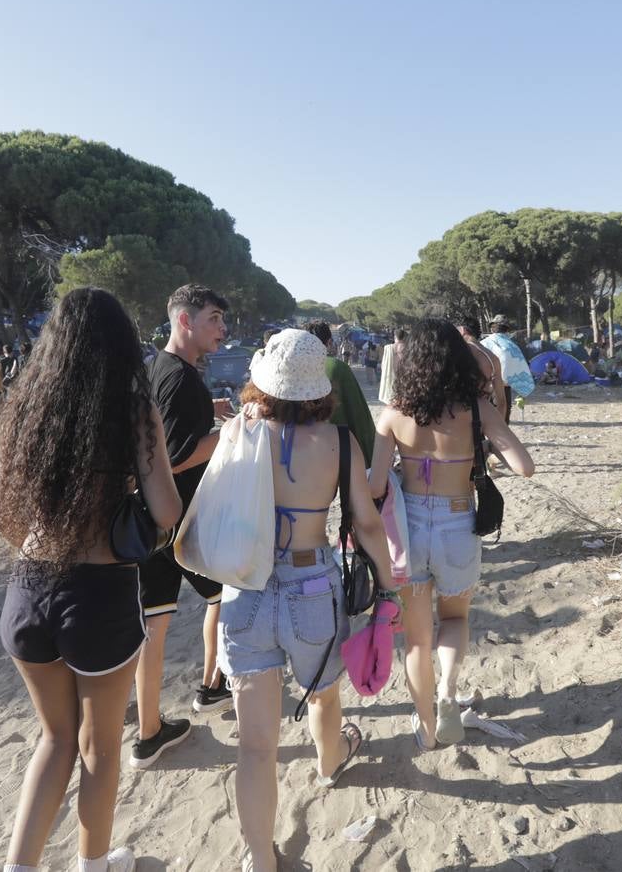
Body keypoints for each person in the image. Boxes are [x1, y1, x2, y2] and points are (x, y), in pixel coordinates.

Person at [0, 288, 183, 872]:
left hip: (28, 591)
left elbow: (2, 515)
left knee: (53, 741)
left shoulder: (29, 403)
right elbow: (169, 512)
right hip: (99, 598)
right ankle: (94, 865)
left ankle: (18, 868)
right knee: (99, 748)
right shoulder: (131, 410)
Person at [219, 329, 395, 872]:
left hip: (245, 587)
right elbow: (365, 523)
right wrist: (389, 588)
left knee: (255, 748)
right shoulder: (341, 442)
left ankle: (260, 860)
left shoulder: (239, 432)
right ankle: (330, 761)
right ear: (320, 386)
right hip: (311, 585)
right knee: (322, 695)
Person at [369, 320, 534, 749]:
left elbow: (374, 485)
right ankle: (447, 692)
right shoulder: (477, 409)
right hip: (458, 522)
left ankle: (426, 728)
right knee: (456, 618)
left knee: (417, 638)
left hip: (410, 531)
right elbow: (525, 466)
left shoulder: (393, 413)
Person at [135, 285, 236, 768]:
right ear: (185, 321)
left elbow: (161, 431)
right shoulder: (179, 378)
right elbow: (172, 456)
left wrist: (208, 414)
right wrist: (225, 435)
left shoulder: (159, 369)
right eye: (214, 318)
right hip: (181, 520)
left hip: (155, 521)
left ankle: (149, 730)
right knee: (226, 596)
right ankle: (211, 688)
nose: (222, 329)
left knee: (155, 622)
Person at [304, 322, 375, 463]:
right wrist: (370, 456)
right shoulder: (337, 368)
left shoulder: (292, 368)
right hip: (335, 453)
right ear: (329, 342)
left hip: (294, 456)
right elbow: (358, 417)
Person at [456, 319, 505, 406]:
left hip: (460, 412)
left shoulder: (457, 352)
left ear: (463, 330)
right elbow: (501, 401)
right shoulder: (492, 357)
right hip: (484, 410)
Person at [377, 329, 403, 405]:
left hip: (390, 373)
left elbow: (383, 364)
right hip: (402, 372)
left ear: (395, 336)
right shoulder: (407, 347)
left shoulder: (388, 348)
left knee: (391, 394)